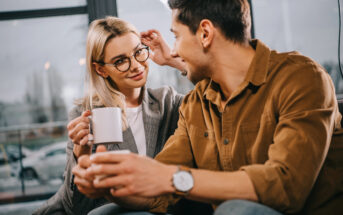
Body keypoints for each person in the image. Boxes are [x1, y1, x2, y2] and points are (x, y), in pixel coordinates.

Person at [79, 0, 343, 214]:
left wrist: (171, 177)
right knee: (104, 213)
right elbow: (156, 189)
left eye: (176, 36)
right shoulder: (195, 106)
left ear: (205, 33)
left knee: (236, 210)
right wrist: (108, 185)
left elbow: (286, 187)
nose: (173, 52)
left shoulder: (302, 78)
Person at [33, 16, 186, 215]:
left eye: (138, 52)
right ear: (101, 69)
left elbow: (221, 95)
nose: (136, 65)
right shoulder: (85, 114)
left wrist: (174, 61)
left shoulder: (168, 101)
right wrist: (81, 155)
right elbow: (74, 207)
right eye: (121, 61)